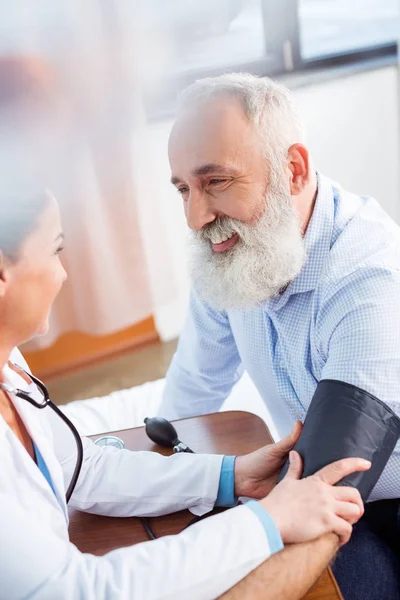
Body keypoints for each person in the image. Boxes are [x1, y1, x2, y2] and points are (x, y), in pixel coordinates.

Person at [0, 187, 370, 599]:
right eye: (56, 250)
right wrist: (268, 521)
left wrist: (229, 475)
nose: (63, 272)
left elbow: (80, 467)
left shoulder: (9, 365)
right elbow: (79, 591)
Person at [159, 73, 400, 598]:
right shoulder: (234, 252)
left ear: (293, 170)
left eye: (215, 182)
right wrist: (155, 483)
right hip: (323, 495)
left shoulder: (370, 281)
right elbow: (189, 397)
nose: (196, 217)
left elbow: (327, 484)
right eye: (183, 189)